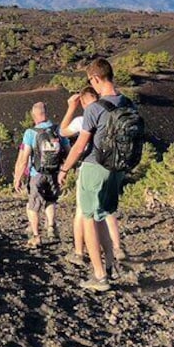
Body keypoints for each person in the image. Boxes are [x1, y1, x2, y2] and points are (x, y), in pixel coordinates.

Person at [58, 58, 138, 292]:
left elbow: (80, 145)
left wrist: (64, 169)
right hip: (118, 168)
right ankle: (110, 264)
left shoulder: (95, 108)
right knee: (102, 214)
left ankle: (99, 275)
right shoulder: (128, 103)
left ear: (95, 79)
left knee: (88, 217)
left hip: (95, 167)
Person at [60, 86, 127, 266]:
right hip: (114, 166)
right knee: (107, 211)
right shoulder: (111, 113)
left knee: (83, 212)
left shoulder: (85, 117)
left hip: (91, 167)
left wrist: (70, 108)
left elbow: (63, 131)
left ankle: (79, 252)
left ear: (82, 101)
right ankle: (117, 248)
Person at [14, 102, 68, 248]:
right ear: (46, 113)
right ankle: (51, 226)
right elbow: (67, 149)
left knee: (33, 206)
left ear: (34, 115)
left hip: (36, 173)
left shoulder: (31, 133)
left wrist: (18, 177)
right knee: (51, 199)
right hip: (54, 172)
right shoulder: (57, 129)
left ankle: (36, 236)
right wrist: (64, 169)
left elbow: (24, 157)